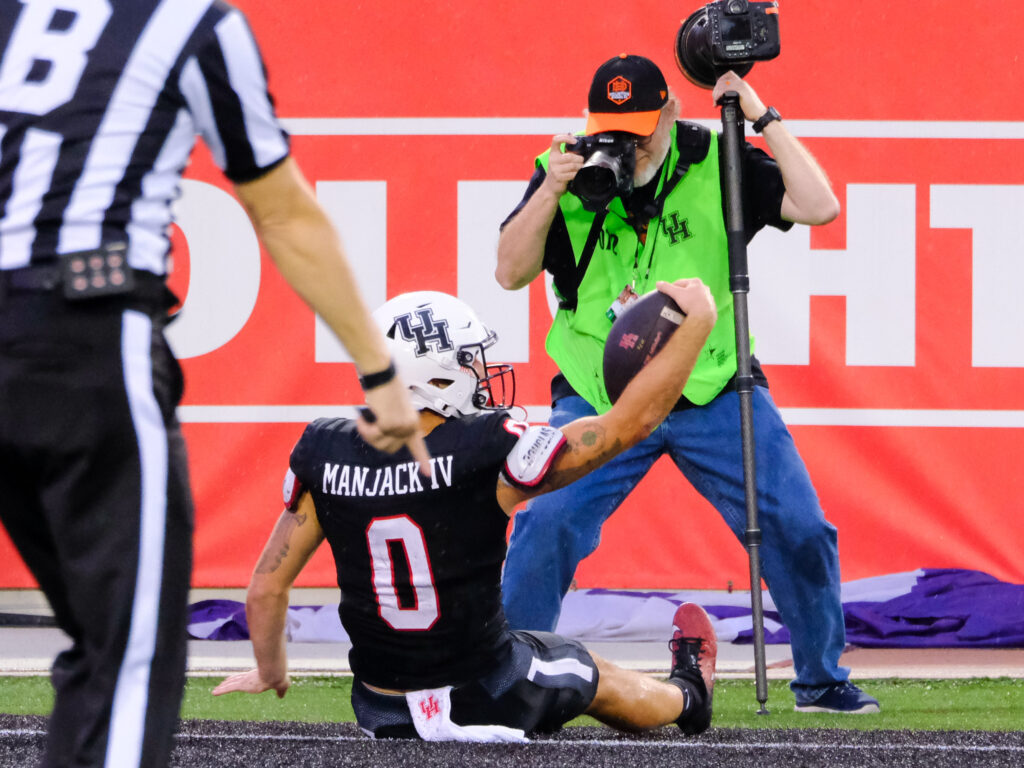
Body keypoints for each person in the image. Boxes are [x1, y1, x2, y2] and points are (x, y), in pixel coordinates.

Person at [0, 2, 426, 766]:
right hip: (86, 329)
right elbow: (285, 212)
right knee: (130, 652)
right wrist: (381, 371)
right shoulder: (190, 23)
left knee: (100, 644)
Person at [495, 53, 879, 714]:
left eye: (640, 127)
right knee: (546, 522)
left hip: (713, 387)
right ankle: (513, 680)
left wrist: (760, 115)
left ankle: (820, 680)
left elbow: (820, 207)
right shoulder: (564, 166)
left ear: (671, 111)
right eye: (611, 127)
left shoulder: (716, 161)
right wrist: (551, 190)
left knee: (798, 525)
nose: (626, 143)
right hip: (599, 391)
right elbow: (508, 271)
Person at [212, 284, 721, 740]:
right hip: (484, 691)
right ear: (433, 376)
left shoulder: (325, 453)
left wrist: (269, 668)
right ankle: (690, 694)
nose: (480, 371)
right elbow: (630, 424)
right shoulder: (483, 450)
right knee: (587, 669)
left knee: (528, 645)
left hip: (377, 704)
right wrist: (695, 325)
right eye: (467, 360)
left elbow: (266, 587)